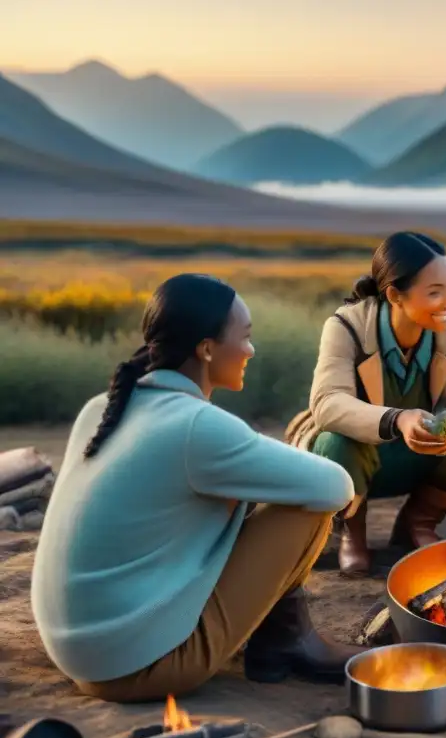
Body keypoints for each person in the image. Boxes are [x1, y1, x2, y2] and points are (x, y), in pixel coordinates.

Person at [31, 274, 359, 703]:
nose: (250, 350)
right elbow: (337, 486)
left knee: (254, 494)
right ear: (206, 349)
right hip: (141, 667)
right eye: (245, 338)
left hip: (78, 652)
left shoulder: (102, 410)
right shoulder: (196, 427)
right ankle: (287, 641)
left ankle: (278, 639)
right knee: (306, 510)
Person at [289, 232, 446, 577]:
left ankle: (418, 520)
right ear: (394, 295)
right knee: (338, 440)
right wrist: (397, 419)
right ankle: (351, 528)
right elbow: (326, 403)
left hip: (421, 455)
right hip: (357, 456)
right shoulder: (346, 326)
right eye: (435, 292)